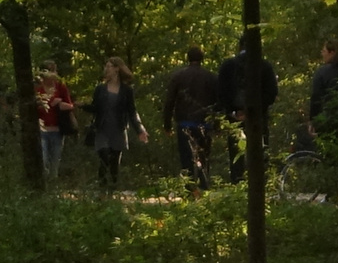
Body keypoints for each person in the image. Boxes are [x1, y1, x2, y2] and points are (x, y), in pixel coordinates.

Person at [216, 33, 279, 183]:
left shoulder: (228, 66)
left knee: (236, 153)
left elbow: (220, 92)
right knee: (260, 152)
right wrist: (256, 110)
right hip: (258, 117)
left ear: (240, 46)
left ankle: (238, 185)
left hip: (234, 117)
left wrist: (232, 112)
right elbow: (272, 93)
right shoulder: (264, 66)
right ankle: (261, 185)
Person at [161, 45, 221, 191]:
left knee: (186, 160)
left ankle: (189, 191)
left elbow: (170, 101)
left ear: (187, 58)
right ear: (202, 59)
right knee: (203, 158)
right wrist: (217, 125)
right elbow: (218, 103)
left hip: (184, 123)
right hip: (205, 124)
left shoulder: (178, 77)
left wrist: (167, 124)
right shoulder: (211, 77)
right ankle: (204, 188)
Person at [86, 56, 148, 189]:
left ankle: (113, 191)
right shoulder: (100, 89)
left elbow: (132, 111)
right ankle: (102, 191)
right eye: (106, 67)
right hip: (102, 130)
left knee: (114, 162)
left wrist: (140, 130)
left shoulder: (126, 91)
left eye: (108, 66)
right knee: (104, 159)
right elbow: (95, 108)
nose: (106, 69)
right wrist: (80, 105)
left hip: (118, 130)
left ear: (116, 69)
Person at [35, 60, 76, 181]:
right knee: (43, 159)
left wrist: (60, 103)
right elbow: (33, 107)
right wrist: (48, 104)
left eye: (54, 71)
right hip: (42, 129)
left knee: (55, 161)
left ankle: (53, 186)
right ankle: (43, 184)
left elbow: (70, 105)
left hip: (57, 130)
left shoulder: (61, 87)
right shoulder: (37, 88)